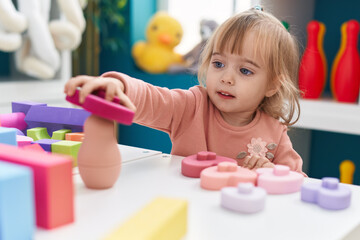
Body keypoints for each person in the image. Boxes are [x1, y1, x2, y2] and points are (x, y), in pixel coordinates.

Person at [64, 7, 305, 174]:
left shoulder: (275, 131)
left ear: (273, 84)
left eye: (245, 71)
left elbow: (298, 184)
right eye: (218, 64)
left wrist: (272, 174)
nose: (226, 78)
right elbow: (152, 99)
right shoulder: (191, 106)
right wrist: (118, 87)